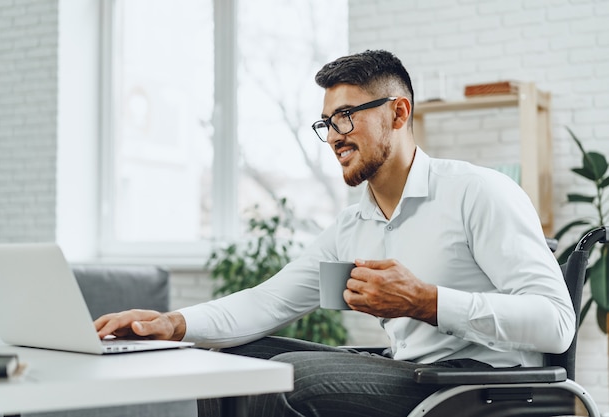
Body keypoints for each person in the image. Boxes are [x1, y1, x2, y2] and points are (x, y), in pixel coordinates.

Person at [95, 50, 575, 417]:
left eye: (346, 116)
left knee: (289, 378)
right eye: (327, 122)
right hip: (411, 372)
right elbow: (268, 302)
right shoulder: (354, 225)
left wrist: (426, 300)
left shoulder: (479, 192)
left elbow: (557, 323)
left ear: (399, 113)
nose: (334, 136)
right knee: (227, 365)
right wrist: (172, 324)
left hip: (483, 387)